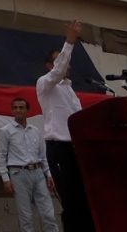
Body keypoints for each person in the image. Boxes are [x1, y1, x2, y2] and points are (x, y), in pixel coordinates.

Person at [36, 20, 94, 232]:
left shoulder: (70, 91)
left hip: (75, 149)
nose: (66, 64)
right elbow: (58, 71)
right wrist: (69, 42)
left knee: (84, 198)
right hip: (59, 148)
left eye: (67, 60)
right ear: (49, 66)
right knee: (70, 200)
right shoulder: (44, 83)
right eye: (59, 60)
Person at [0, 97, 59, 232]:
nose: (18, 110)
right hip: (18, 174)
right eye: (15, 108)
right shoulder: (5, 131)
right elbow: (1, 155)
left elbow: (43, 156)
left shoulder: (36, 131)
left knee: (48, 214)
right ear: (12, 110)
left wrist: (49, 174)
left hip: (38, 173)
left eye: (21, 107)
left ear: (27, 110)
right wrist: (6, 179)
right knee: (26, 216)